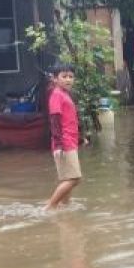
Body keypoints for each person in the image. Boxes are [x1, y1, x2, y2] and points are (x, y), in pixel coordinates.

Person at [44, 63, 82, 211]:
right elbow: (54, 120)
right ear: (55, 79)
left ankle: (65, 206)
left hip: (70, 141)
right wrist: (59, 144)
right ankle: (49, 207)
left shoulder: (65, 94)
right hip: (64, 143)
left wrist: (80, 138)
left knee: (68, 178)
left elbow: (70, 119)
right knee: (75, 179)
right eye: (64, 76)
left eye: (71, 77)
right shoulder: (56, 95)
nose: (68, 80)